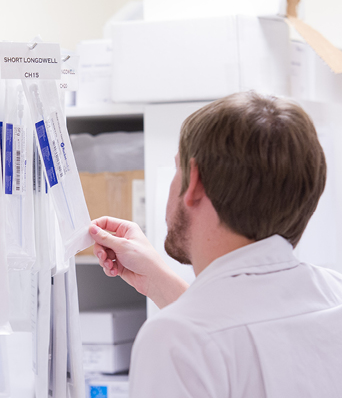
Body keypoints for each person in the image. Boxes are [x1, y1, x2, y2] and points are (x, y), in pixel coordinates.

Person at [89, 91, 342, 398]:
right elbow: (243, 326)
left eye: (176, 169)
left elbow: (216, 334)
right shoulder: (334, 293)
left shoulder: (174, 340)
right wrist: (158, 282)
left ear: (193, 182)